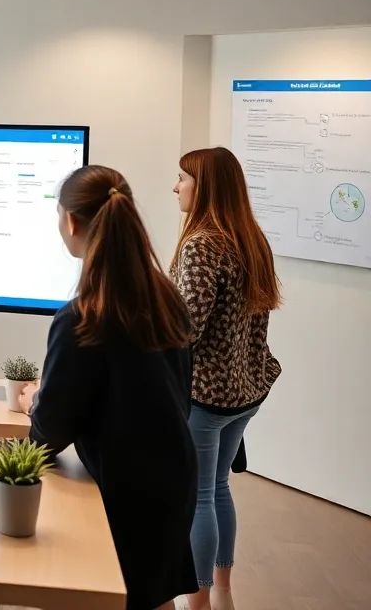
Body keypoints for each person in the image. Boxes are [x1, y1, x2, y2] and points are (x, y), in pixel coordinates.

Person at [25, 165, 197, 610]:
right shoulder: (166, 297)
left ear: (70, 222)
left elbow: (49, 434)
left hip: (124, 494)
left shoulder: (82, 317)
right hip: (173, 480)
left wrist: (35, 404)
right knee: (154, 596)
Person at [171, 147, 281, 610]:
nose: (175, 187)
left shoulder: (202, 244)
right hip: (246, 391)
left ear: (205, 187)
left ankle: (196, 603)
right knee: (217, 487)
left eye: (182, 179)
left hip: (206, 395)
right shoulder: (251, 238)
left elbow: (185, 327)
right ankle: (223, 594)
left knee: (197, 496)